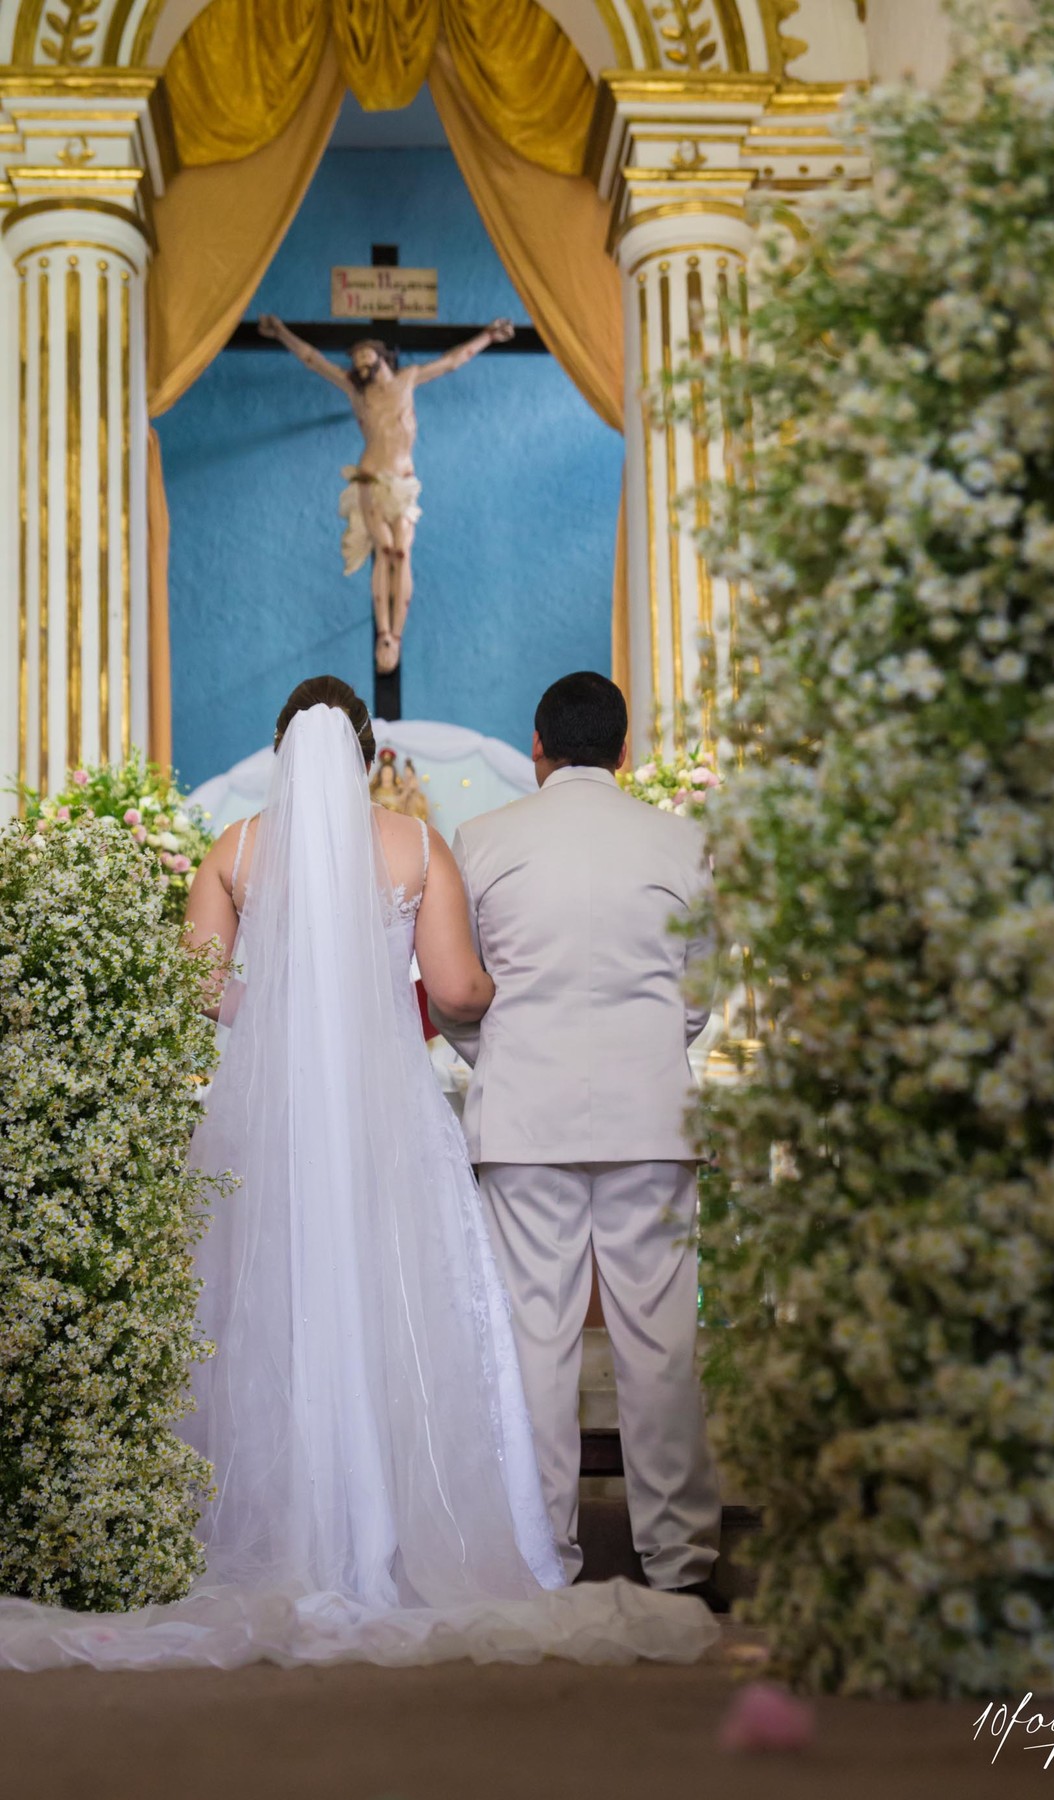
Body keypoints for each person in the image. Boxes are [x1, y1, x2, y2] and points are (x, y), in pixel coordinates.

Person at [0, 677, 716, 1670]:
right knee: (440, 1314)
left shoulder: (237, 848)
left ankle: (308, 1530)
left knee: (287, 1314)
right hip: (422, 1111)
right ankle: (617, 1554)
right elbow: (462, 986)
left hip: (278, 1116)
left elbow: (198, 983)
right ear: (371, 752)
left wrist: (286, 1024)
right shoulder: (421, 846)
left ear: (284, 748)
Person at [430, 673, 725, 1611]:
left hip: (524, 1119)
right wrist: (639, 1049)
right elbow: (699, 997)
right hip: (650, 1115)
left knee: (535, 1341)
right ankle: (679, 1559)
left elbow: (457, 992)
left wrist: (503, 1054)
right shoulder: (686, 842)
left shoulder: (482, 841)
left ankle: (541, 1550)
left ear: (537, 746)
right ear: (626, 750)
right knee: (660, 1339)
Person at [257, 317, 515, 672]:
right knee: (385, 551)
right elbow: (314, 360)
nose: (364, 369)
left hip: (404, 481)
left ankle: (397, 632)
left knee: (402, 552)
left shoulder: (408, 380)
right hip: (370, 480)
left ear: (383, 359)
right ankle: (384, 633)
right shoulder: (356, 390)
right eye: (359, 365)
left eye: (369, 361)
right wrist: (282, 333)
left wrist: (488, 336)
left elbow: (452, 361)